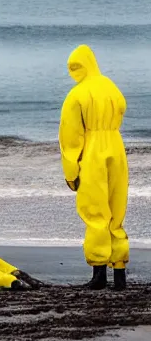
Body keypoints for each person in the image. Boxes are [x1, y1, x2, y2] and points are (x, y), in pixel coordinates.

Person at [59, 44, 129, 290]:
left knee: (95, 213)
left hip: (92, 153)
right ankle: (119, 273)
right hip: (116, 147)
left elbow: (71, 139)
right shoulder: (110, 86)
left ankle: (99, 275)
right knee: (116, 211)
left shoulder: (76, 95)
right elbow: (122, 107)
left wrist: (71, 174)